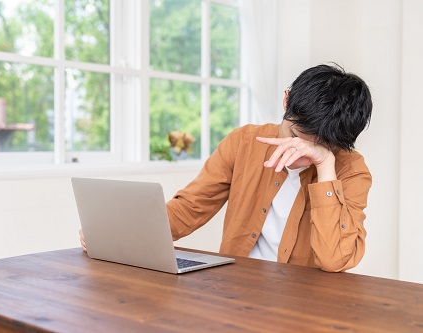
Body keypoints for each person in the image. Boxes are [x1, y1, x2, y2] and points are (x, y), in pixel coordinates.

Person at [80, 63, 373, 273]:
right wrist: (117, 233)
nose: (299, 153)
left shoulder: (351, 171)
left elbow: (335, 259)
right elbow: (190, 208)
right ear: (286, 100)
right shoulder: (243, 142)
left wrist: (324, 165)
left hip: (304, 305)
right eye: (295, 137)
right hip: (235, 292)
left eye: (317, 147)